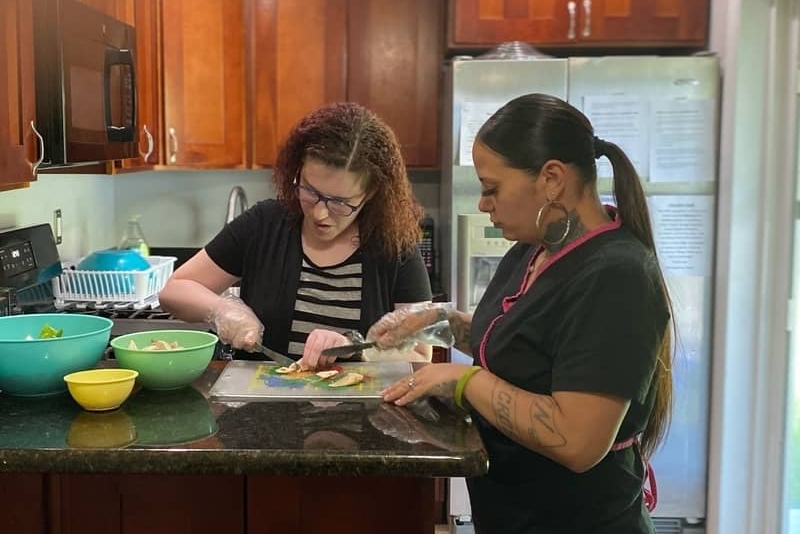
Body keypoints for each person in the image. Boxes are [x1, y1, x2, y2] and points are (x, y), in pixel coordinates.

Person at [368, 93, 673, 533]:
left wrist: (464, 380)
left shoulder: (617, 274)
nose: (483, 204)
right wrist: (442, 325)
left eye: (492, 188)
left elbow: (577, 440)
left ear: (552, 179)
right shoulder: (534, 249)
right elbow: (529, 348)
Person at [159, 102, 433, 366]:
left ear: (371, 193)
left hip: (364, 412)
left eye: (340, 202)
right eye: (310, 192)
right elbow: (175, 290)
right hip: (262, 408)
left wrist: (352, 349)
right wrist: (222, 310)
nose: (319, 214)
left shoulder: (395, 243)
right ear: (297, 172)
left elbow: (421, 353)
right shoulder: (263, 224)